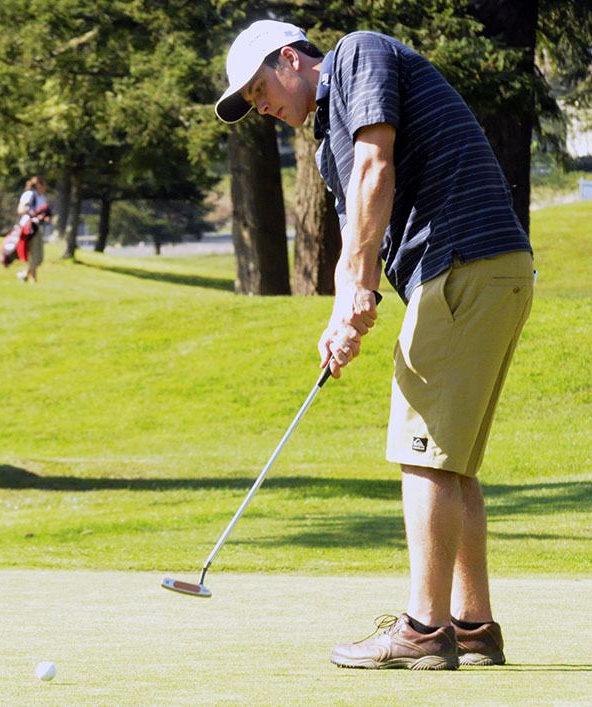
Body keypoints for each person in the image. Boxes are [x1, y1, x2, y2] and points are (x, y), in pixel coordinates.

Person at [215, 20, 534, 671]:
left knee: (421, 454)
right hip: (483, 269)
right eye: (251, 102)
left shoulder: (356, 56)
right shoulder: (330, 140)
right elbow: (359, 220)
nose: (263, 107)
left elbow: (376, 166)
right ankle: (471, 625)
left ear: (290, 58)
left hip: (462, 262)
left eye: (260, 88)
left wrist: (361, 282)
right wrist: (344, 310)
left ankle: (422, 629)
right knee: (452, 460)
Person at [16, 175, 50, 283]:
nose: (46, 187)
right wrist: (33, 214)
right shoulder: (30, 194)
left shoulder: (42, 197)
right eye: (44, 185)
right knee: (35, 255)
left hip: (38, 227)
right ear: (39, 184)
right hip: (29, 227)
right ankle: (33, 280)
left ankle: (25, 274)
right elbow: (21, 209)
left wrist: (44, 217)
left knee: (38, 257)